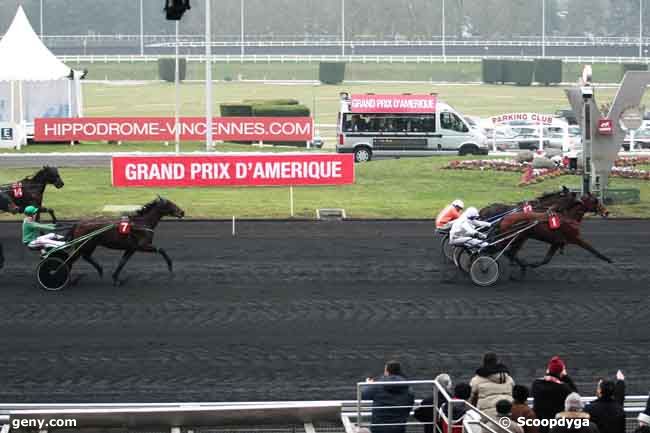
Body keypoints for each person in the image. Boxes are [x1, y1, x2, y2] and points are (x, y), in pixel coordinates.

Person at [362, 360, 415, 433]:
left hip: (378, 428)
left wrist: (368, 385)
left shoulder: (378, 386)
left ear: (387, 372)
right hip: (398, 429)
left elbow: (364, 395)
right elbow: (409, 405)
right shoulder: (408, 389)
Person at [531, 356, 577, 433]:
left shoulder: (536, 384)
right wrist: (566, 377)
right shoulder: (563, 388)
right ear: (561, 372)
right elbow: (575, 396)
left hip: (540, 426)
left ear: (548, 370)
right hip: (557, 426)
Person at [469, 353, 515, 419]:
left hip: (486, 417)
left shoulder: (476, 380)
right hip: (508, 416)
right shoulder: (509, 379)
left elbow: (470, 399)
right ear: (497, 362)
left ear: (483, 363)